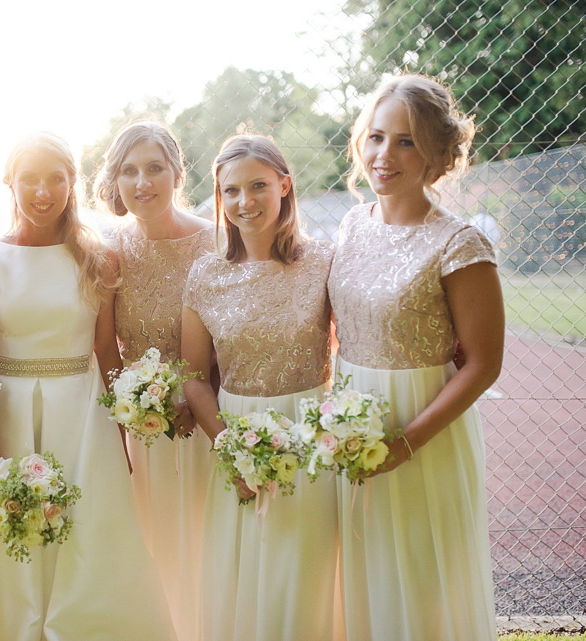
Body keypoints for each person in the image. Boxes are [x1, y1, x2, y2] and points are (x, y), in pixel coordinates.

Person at [0, 132, 177, 641]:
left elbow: (105, 350)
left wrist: (123, 434)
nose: (43, 191)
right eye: (29, 179)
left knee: (90, 532)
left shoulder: (97, 257)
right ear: (9, 182)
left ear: (72, 183)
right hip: (11, 411)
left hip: (84, 413)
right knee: (18, 530)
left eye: (56, 178)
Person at [329, 73, 503, 640]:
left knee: (424, 584)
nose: (384, 154)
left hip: (423, 430)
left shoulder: (460, 243)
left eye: (405, 141)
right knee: (366, 574)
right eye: (377, 136)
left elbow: (483, 364)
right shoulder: (353, 225)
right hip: (350, 425)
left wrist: (405, 443)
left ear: (436, 152)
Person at [181, 134, 341, 641]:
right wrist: (231, 448)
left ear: (285, 186)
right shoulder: (205, 274)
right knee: (242, 563)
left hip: (310, 434)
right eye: (231, 191)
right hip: (235, 433)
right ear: (219, 198)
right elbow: (193, 377)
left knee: (302, 566)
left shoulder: (323, 263)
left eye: (258, 186)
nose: (244, 202)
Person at [94, 121, 214, 641]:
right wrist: (124, 419)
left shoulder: (214, 240)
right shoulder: (110, 251)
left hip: (209, 417)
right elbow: (104, 347)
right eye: (129, 171)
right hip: (141, 428)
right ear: (115, 182)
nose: (142, 182)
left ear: (177, 173)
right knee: (152, 542)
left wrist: (197, 393)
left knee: (207, 539)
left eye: (154, 168)